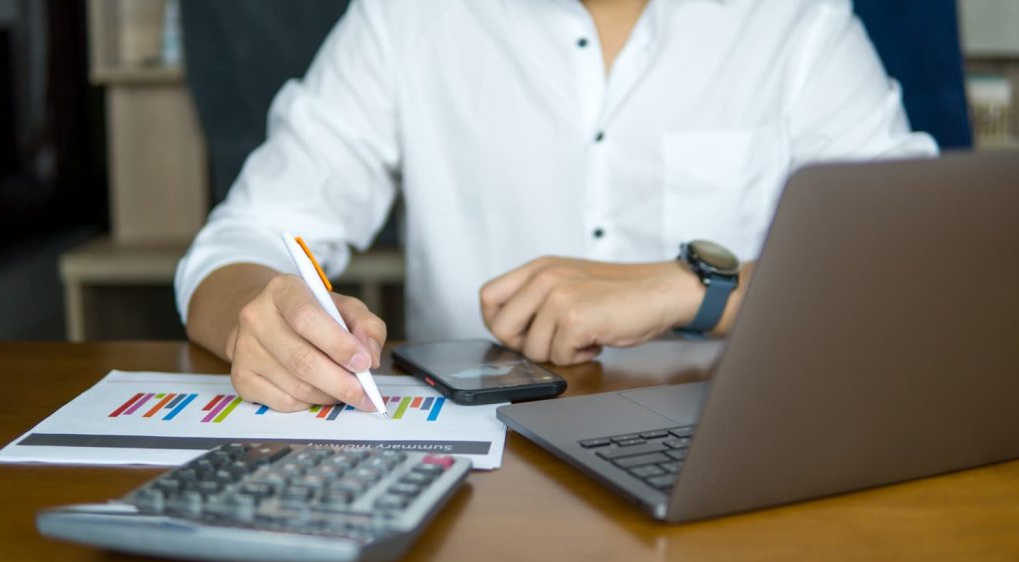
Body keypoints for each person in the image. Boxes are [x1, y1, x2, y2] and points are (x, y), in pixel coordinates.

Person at [175, 0, 937, 413]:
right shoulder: (406, 17)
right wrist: (263, 314)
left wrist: (694, 290)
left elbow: (921, 260)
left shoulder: (797, 22)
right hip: (477, 467)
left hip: (731, 445)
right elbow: (238, 241)